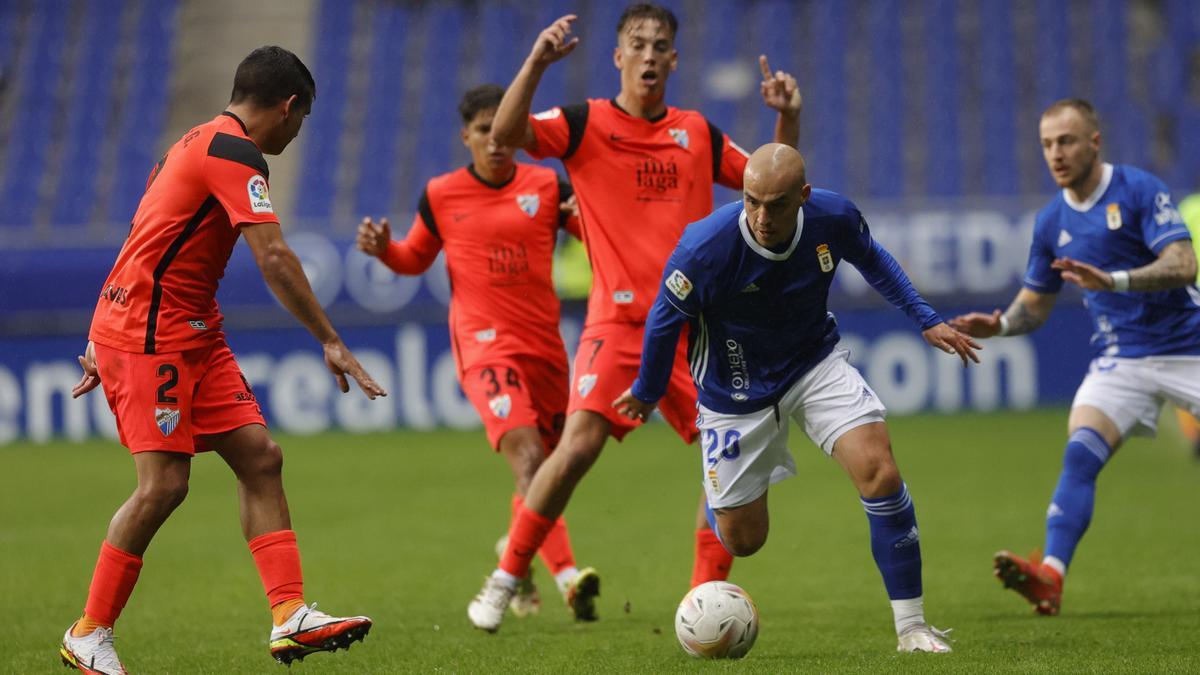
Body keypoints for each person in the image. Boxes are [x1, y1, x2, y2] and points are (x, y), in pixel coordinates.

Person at [467, 3, 803, 632]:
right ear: (618, 56)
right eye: (638, 44)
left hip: (700, 330)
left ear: (674, 60)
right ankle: (507, 576)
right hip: (618, 326)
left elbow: (770, 181)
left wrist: (788, 115)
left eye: (661, 46)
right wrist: (537, 61)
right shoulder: (583, 123)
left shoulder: (696, 133)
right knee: (576, 448)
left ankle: (704, 605)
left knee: (728, 466)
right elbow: (506, 135)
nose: (649, 55)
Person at [61, 46, 386, 673]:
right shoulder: (236, 153)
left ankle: (289, 615)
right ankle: (88, 631)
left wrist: (100, 325)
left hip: (191, 330)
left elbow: (142, 234)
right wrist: (330, 338)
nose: (297, 132)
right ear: (289, 108)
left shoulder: (192, 142)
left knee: (261, 458)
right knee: (164, 485)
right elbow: (274, 258)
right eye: (302, 120)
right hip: (150, 333)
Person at [613, 143, 976, 653]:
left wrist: (925, 317)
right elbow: (662, 319)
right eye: (751, 201)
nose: (762, 216)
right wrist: (647, 391)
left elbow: (873, 259)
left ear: (803, 197)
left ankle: (912, 627)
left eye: (777, 204)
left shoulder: (834, 216)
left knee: (881, 471)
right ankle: (728, 483)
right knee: (744, 540)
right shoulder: (706, 245)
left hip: (813, 364)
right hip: (733, 388)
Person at [949, 98, 1200, 615]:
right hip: (1121, 358)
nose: (1055, 154)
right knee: (1080, 452)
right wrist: (998, 325)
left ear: (1094, 142)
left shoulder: (1137, 189)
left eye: (1065, 141)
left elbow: (1183, 263)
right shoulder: (1051, 221)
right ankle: (1050, 577)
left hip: (1187, 346)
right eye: (1046, 144)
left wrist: (1117, 280)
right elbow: (1034, 306)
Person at [356, 84, 590, 620]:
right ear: (467, 136)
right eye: (485, 130)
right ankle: (566, 577)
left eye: (505, 129)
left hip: (546, 350)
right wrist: (384, 250)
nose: (496, 140)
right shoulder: (442, 194)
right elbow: (414, 258)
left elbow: (595, 234)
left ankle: (515, 555)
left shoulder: (547, 186)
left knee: (555, 471)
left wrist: (592, 209)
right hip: (484, 347)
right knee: (529, 460)